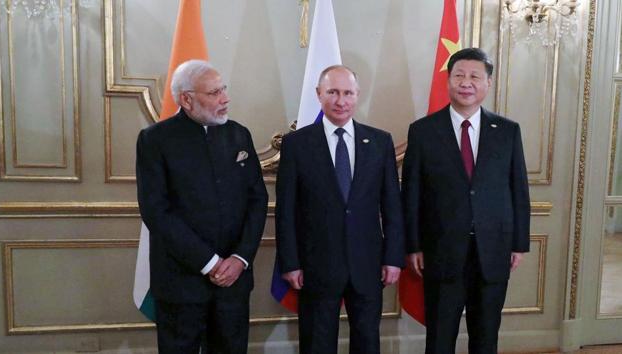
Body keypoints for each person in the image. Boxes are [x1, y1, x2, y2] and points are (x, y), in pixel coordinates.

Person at [401, 47, 530, 354]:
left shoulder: (507, 131)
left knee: (486, 337)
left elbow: (519, 191)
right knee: (440, 337)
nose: (466, 82)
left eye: (474, 76)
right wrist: (413, 245)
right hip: (441, 250)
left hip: (493, 251)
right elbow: (412, 194)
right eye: (458, 75)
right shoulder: (423, 131)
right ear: (448, 81)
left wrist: (518, 244)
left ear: (487, 84)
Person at [136, 59, 268, 354]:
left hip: (234, 282)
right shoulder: (155, 140)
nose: (225, 99)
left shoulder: (238, 134)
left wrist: (240, 258)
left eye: (224, 89)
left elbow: (258, 199)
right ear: (186, 99)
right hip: (180, 283)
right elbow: (156, 211)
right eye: (214, 93)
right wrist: (210, 263)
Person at [275, 65, 405, 354]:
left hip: (368, 264)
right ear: (318, 94)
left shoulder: (380, 142)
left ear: (357, 95)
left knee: (367, 340)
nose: (340, 100)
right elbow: (286, 211)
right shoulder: (296, 144)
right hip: (315, 264)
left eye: (348, 93)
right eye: (332, 92)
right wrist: (290, 262)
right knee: (317, 342)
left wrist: (393, 257)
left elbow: (392, 207)